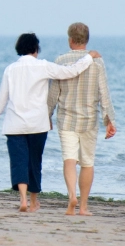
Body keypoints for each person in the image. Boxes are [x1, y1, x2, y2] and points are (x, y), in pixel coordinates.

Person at [0, 33, 101, 213]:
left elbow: (1, 98)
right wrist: (89, 57)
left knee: (19, 162)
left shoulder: (10, 69)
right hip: (37, 124)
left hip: (14, 124)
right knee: (34, 162)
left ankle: (23, 199)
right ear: (35, 49)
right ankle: (34, 202)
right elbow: (70, 71)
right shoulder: (43, 66)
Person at [47, 22, 117, 216]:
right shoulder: (97, 63)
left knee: (69, 160)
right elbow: (104, 93)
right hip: (89, 119)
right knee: (87, 162)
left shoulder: (60, 60)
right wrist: (109, 120)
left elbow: (53, 92)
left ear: (70, 40)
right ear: (87, 40)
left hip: (67, 118)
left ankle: (71, 196)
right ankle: (84, 206)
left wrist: (47, 115)